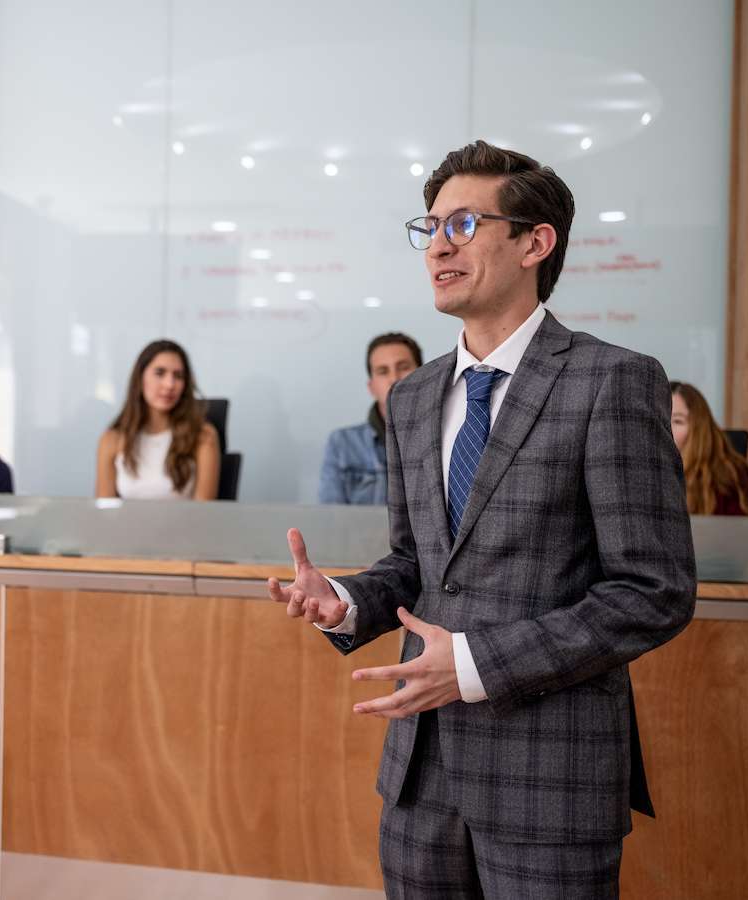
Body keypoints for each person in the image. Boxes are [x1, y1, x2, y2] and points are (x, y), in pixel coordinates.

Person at [268, 141, 696, 898]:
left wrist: (473, 666)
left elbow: (652, 591)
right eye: (429, 227)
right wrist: (347, 599)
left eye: (463, 225)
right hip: (420, 777)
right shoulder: (412, 397)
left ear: (535, 243)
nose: (438, 246)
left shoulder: (613, 380)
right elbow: (418, 563)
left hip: (549, 778)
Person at [95, 339, 219, 501]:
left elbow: (204, 511)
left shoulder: (203, 436)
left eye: (178, 376)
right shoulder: (112, 439)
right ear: (140, 378)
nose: (169, 384)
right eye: (160, 373)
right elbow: (104, 511)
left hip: (184, 519)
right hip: (128, 519)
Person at [319, 333, 422, 504]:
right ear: (371, 387)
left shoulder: (445, 437)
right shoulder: (342, 444)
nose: (394, 379)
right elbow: (330, 516)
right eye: (383, 371)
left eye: (403, 367)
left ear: (425, 377)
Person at [670, 381, 748, 515]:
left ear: (699, 428)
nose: (666, 428)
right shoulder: (646, 473)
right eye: (660, 420)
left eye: (677, 421)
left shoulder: (727, 476)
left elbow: (747, 526)